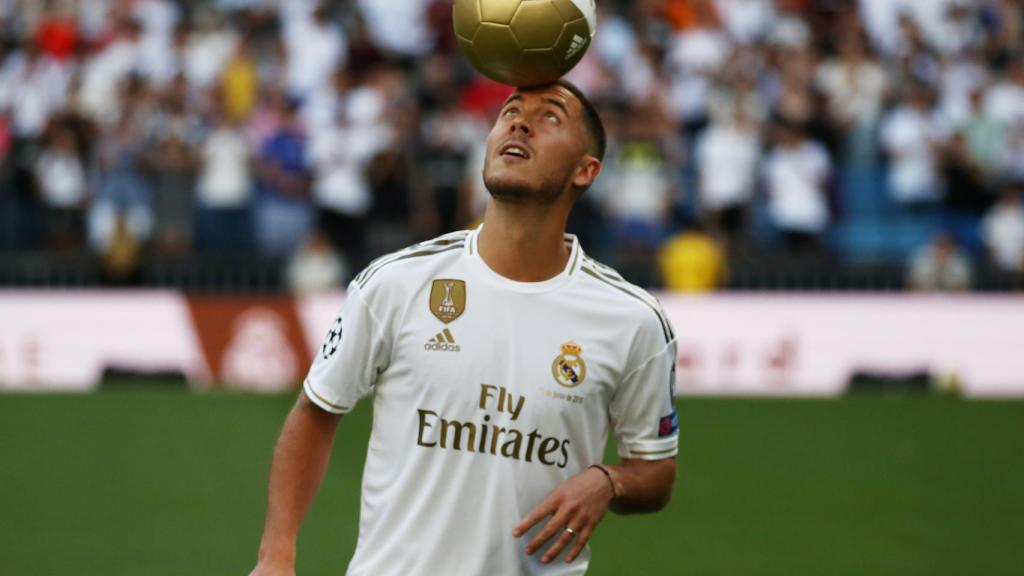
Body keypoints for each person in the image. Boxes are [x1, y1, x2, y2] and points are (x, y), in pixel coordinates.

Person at [250, 80, 678, 576]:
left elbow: (656, 469)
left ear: (586, 170)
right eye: (510, 111)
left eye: (550, 117)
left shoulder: (633, 320)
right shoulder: (395, 283)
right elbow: (316, 410)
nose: (518, 122)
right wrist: (275, 556)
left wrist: (608, 481)